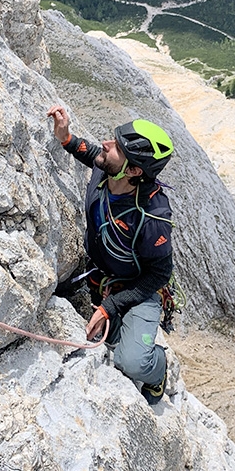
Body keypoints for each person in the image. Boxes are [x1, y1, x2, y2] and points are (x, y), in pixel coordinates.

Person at [48, 105, 174, 404]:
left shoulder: (152, 217)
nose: (106, 144)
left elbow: (159, 274)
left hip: (139, 290)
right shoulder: (109, 173)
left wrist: (110, 307)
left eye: (116, 146)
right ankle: (121, 328)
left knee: (131, 363)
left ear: (133, 170)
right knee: (107, 338)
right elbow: (93, 153)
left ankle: (158, 371)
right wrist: (66, 138)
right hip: (101, 280)